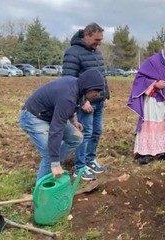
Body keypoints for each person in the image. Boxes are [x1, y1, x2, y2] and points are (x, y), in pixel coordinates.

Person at [19, 69, 104, 183]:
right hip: (33, 117)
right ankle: (41, 193)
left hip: (50, 114)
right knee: (50, 155)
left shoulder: (77, 86)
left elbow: (72, 105)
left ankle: (55, 165)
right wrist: (54, 162)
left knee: (76, 138)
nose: (98, 94)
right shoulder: (68, 96)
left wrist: (74, 121)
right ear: (88, 88)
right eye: (96, 90)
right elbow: (56, 129)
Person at [127, 36, 165, 164]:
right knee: (151, 125)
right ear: (164, 47)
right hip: (153, 101)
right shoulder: (152, 62)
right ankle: (147, 153)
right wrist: (154, 84)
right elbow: (139, 79)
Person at [62, 22, 110, 180]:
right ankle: (79, 166)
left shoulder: (97, 52)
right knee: (85, 133)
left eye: (101, 39)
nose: (99, 42)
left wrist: (106, 95)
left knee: (97, 132)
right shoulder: (73, 52)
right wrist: (82, 101)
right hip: (86, 102)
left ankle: (90, 160)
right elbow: (69, 80)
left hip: (99, 100)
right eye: (97, 39)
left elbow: (101, 76)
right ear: (87, 35)